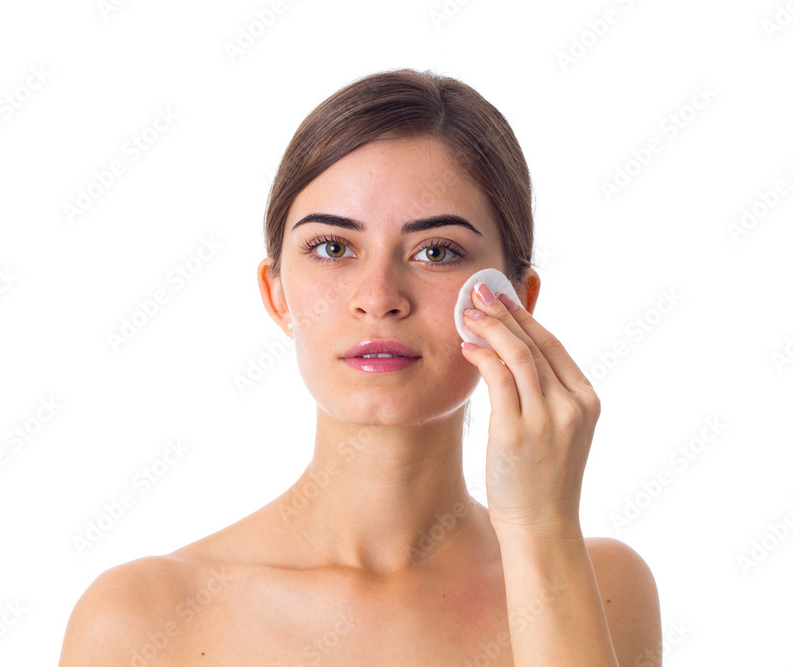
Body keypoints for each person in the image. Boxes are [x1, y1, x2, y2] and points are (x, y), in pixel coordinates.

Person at [59, 68, 662, 666]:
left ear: (514, 303)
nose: (378, 296)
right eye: (332, 247)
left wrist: (538, 527)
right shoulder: (138, 618)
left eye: (436, 251)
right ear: (276, 295)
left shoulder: (602, 586)